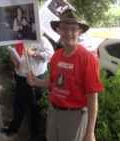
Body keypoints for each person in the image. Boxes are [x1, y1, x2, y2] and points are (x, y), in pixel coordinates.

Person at [26, 9, 104, 141]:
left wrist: (90, 132)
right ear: (58, 31)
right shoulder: (56, 55)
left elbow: (92, 98)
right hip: (53, 112)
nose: (69, 33)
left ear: (79, 32)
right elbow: (53, 83)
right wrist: (37, 81)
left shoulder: (88, 58)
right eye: (64, 28)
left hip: (74, 117)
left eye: (73, 29)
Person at [0, 35, 54, 141]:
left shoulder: (41, 40)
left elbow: (51, 55)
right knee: (18, 103)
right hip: (20, 77)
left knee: (34, 106)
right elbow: (15, 58)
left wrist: (34, 53)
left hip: (36, 78)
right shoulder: (19, 40)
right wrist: (14, 58)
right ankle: (14, 126)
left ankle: (34, 135)